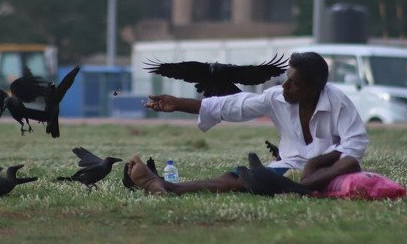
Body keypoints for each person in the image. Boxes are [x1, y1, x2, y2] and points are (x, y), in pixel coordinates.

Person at [126, 51, 368, 195]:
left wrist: (309, 178)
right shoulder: (277, 98)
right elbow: (233, 105)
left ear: (314, 89)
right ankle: (166, 187)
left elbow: (353, 150)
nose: (284, 85)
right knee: (233, 178)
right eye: (285, 79)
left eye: (293, 83)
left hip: (324, 173)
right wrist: (177, 103)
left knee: (247, 182)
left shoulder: (338, 102)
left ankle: (168, 187)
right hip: (288, 169)